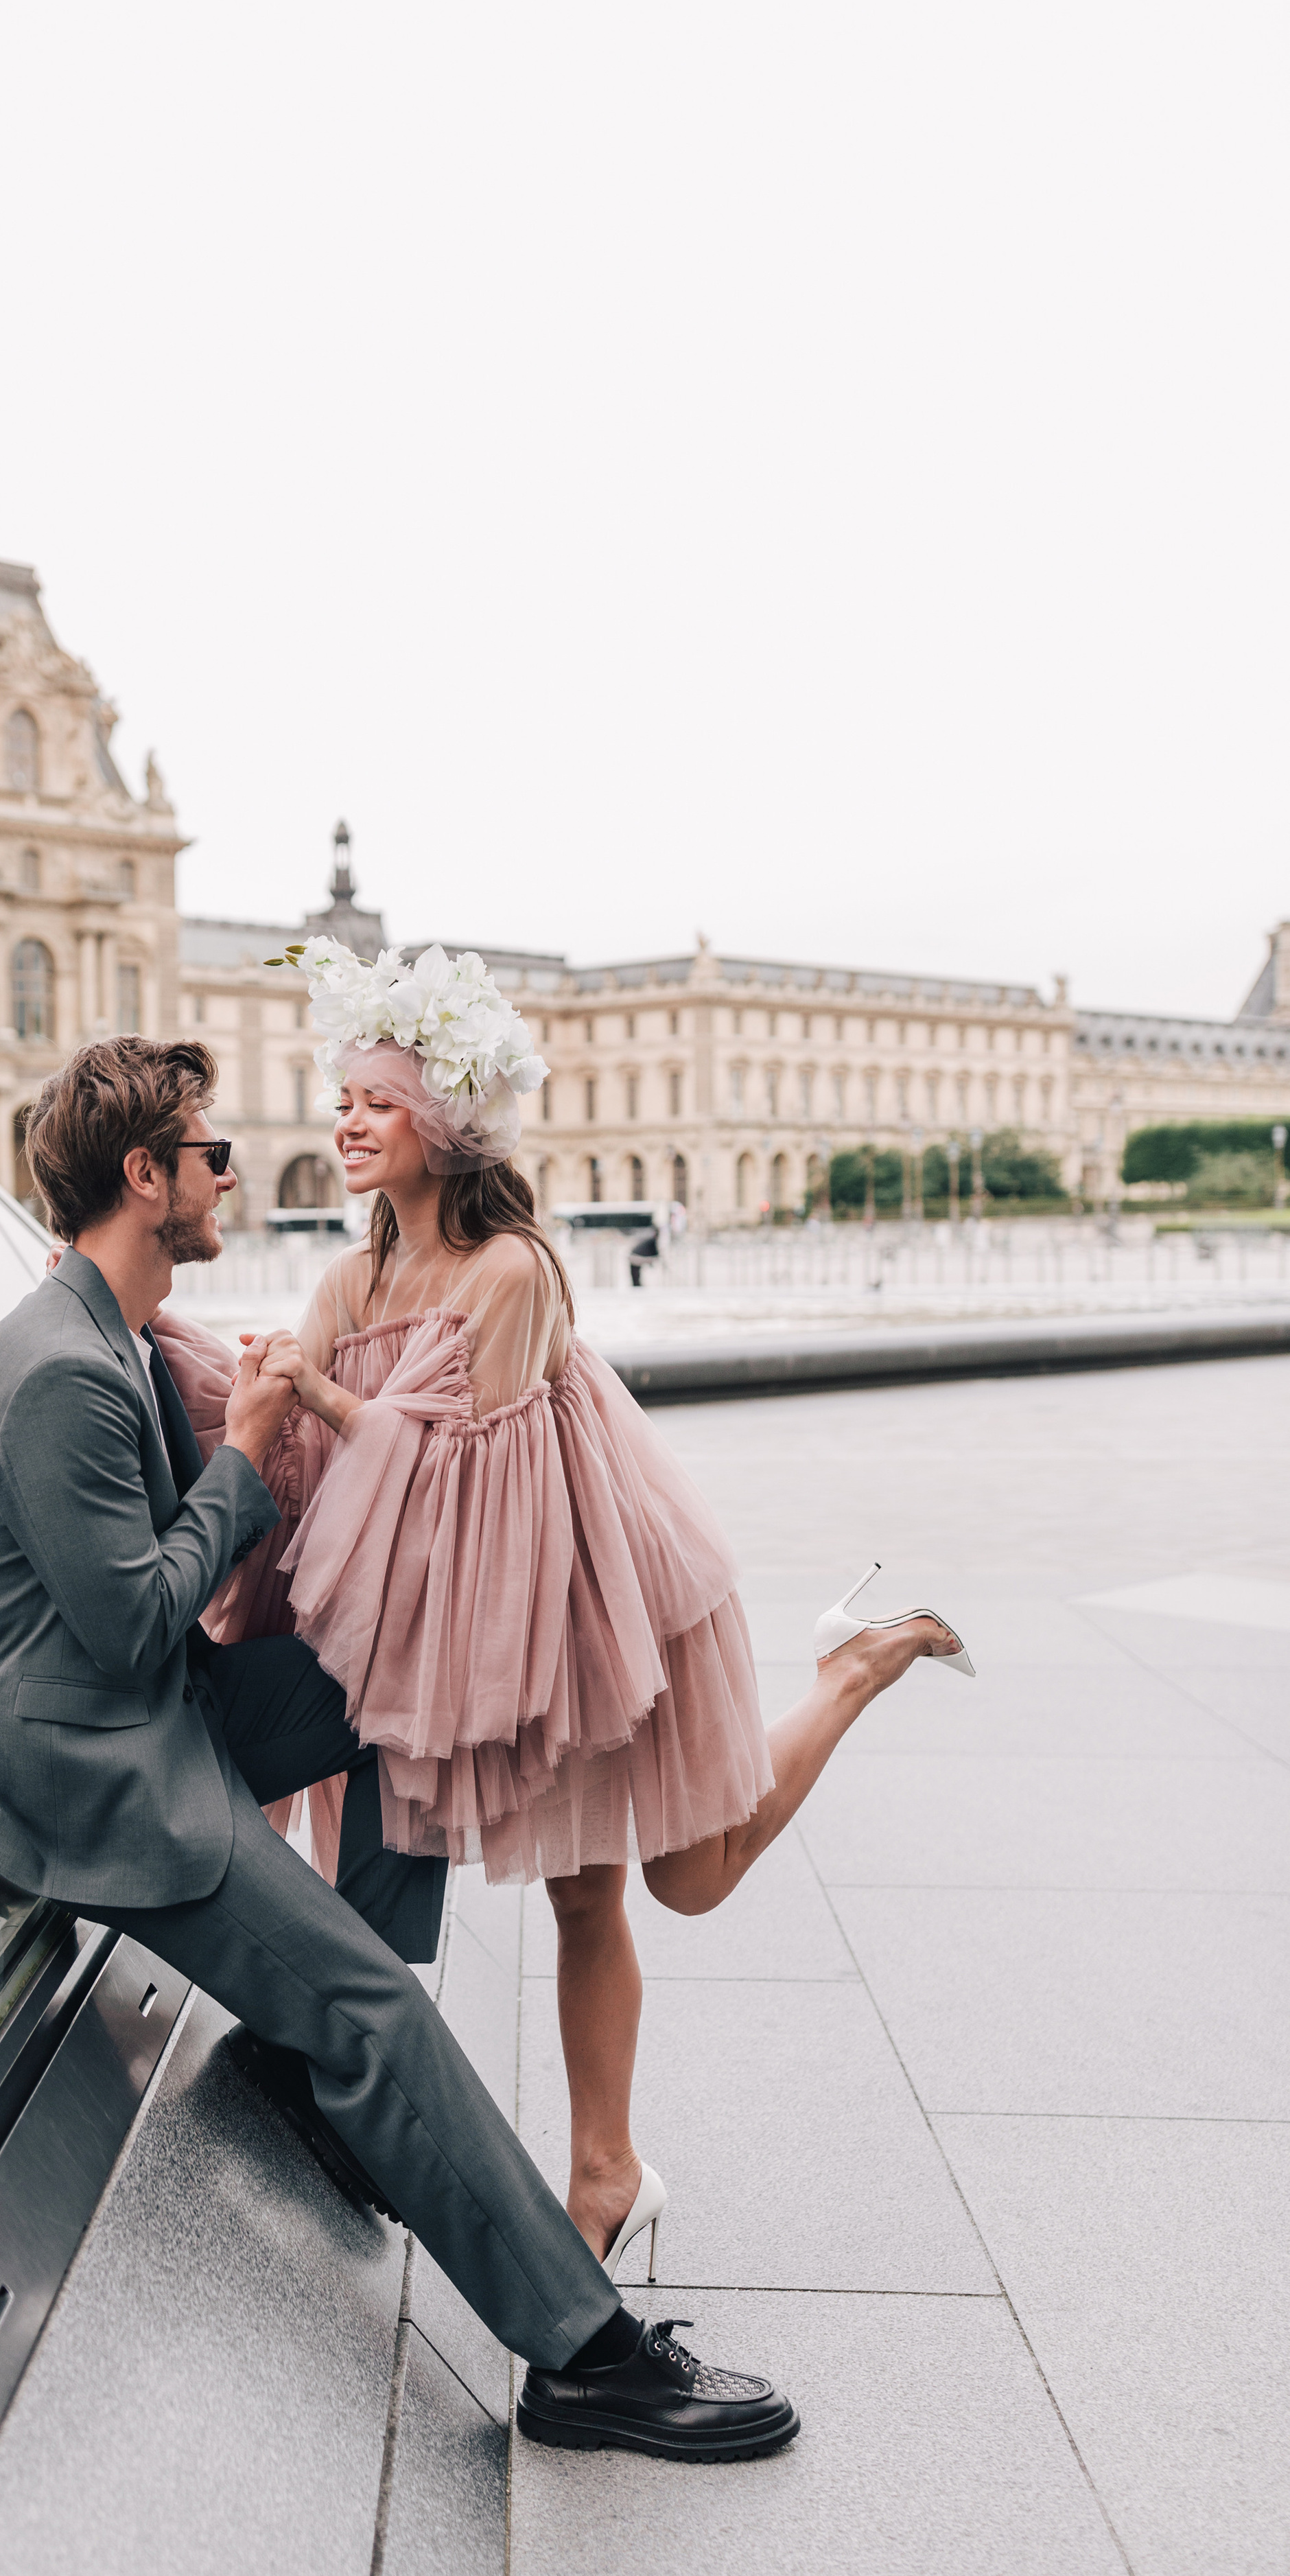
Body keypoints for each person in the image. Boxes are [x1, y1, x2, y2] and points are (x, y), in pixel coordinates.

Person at [0, 1033, 802, 2461]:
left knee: (397, 1667)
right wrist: (249, 1454)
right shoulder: (62, 1373)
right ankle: (584, 2354)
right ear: (146, 1179)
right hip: (76, 1772)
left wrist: (276, 1422)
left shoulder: (109, 1333)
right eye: (207, 1153)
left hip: (122, 1712)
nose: (233, 1167)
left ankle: (333, 1994)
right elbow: (140, 1623)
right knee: (373, 2021)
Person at [154, 943, 970, 2286]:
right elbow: (319, 1473)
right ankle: (606, 2172)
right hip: (479, 1619)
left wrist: (313, 1394)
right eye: (341, 1099)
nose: (345, 1123)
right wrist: (207, 1378)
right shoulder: (347, 1289)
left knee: (683, 1882)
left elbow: (455, 1461)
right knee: (590, 1897)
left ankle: (852, 1667)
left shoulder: (512, 1271)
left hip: (588, 1600)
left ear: (449, 1122)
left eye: (377, 1100)